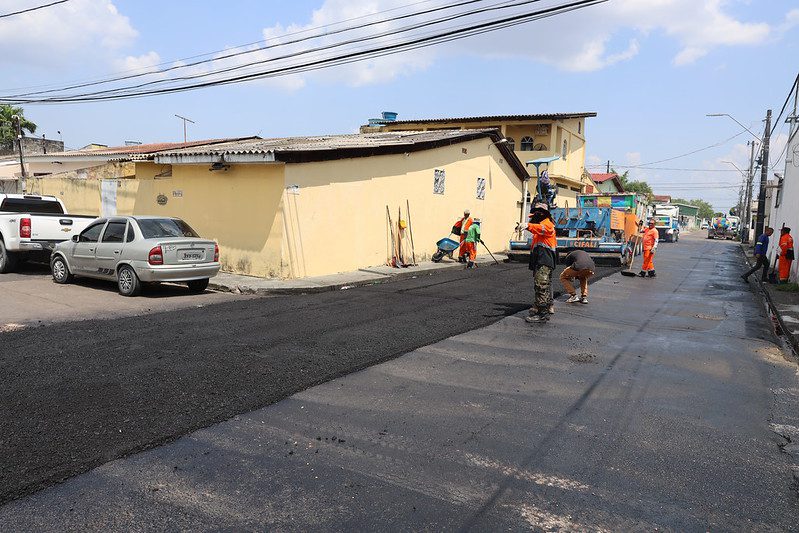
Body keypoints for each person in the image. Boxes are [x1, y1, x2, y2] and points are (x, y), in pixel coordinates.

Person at [525, 203, 557, 324]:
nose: (533, 217)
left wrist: (527, 226)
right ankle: (545, 307)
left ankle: (542, 314)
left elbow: (543, 229)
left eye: (536, 214)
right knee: (544, 285)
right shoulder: (539, 231)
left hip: (545, 260)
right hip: (541, 260)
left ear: (542, 214)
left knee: (541, 285)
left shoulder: (547, 224)